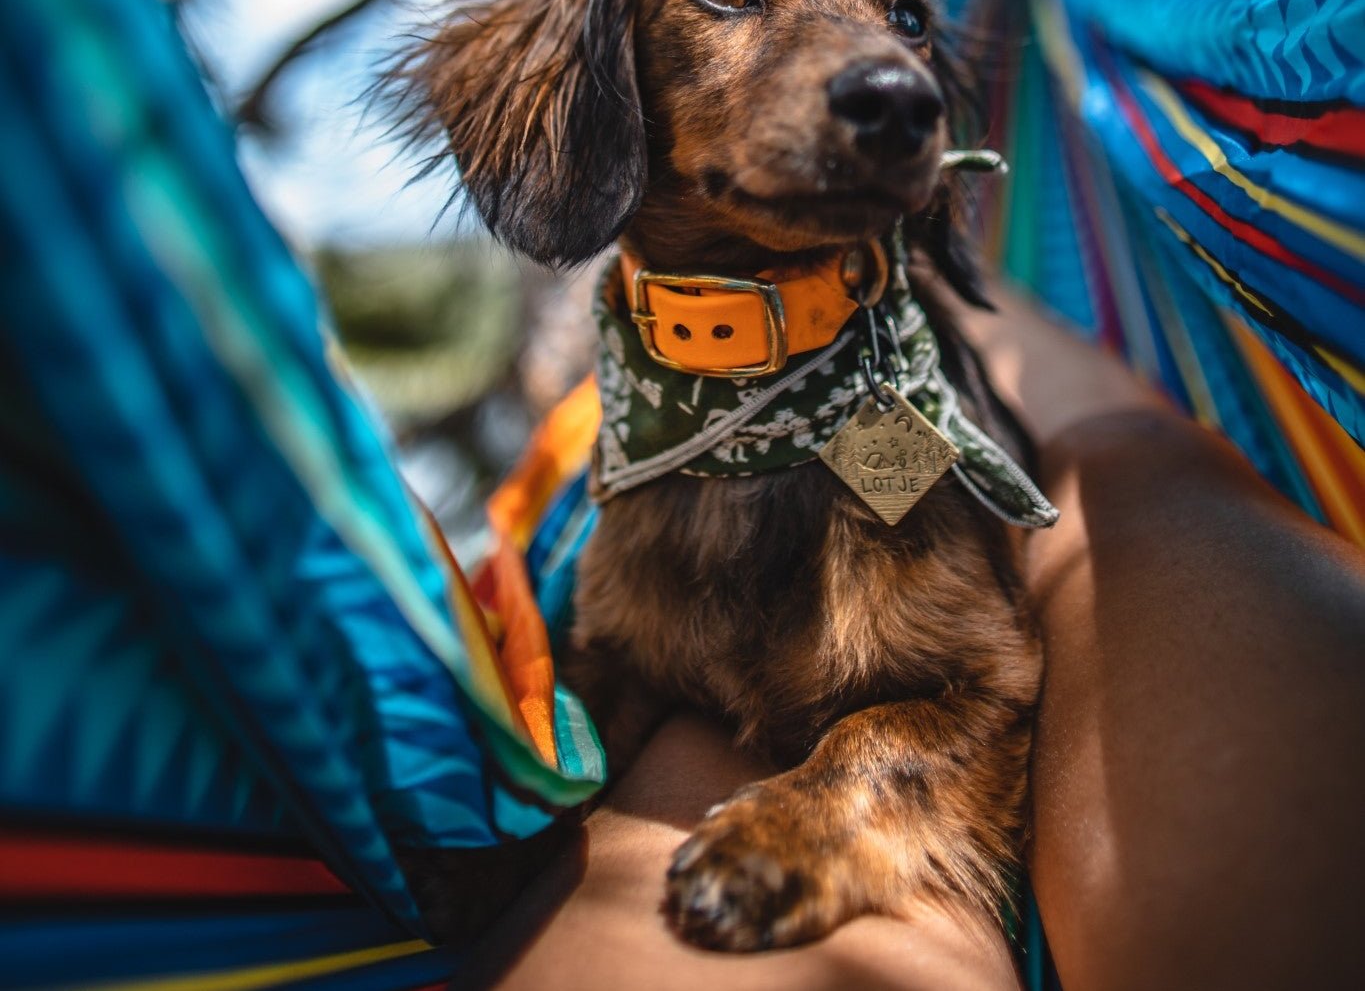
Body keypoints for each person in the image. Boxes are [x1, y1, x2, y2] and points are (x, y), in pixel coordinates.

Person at [458, 290, 1365, 991]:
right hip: (656, 446)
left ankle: (956, 320)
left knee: (1102, 464)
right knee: (1121, 453)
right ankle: (983, 327)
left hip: (868, 383)